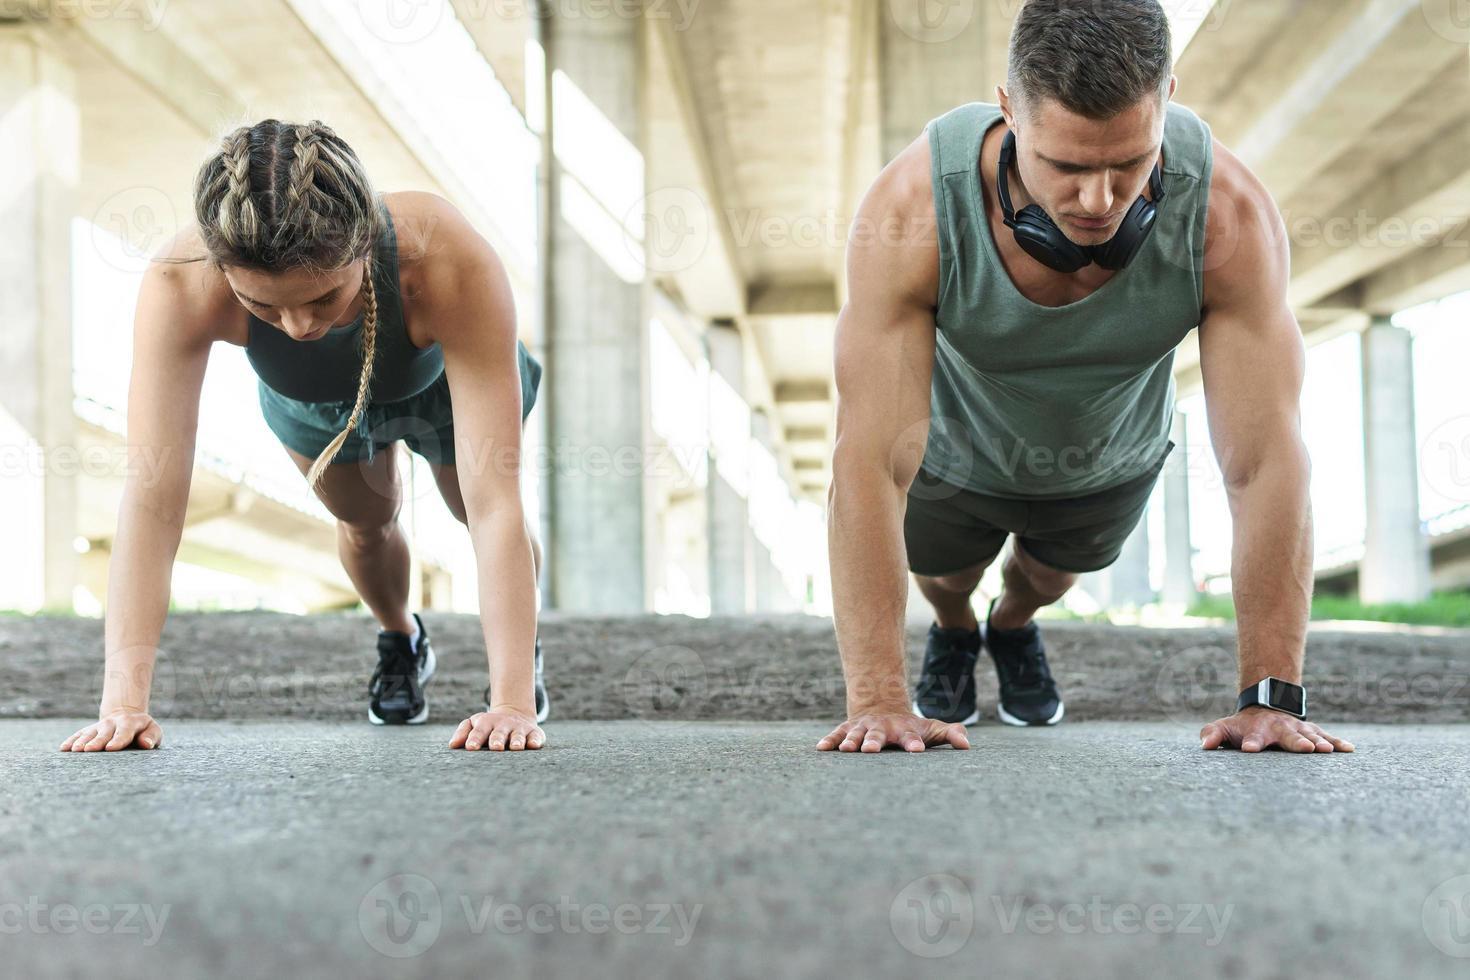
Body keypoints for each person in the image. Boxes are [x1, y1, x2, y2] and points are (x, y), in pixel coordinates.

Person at [819, 0, 1353, 755]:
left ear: (1169, 99)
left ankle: (1010, 626)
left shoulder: (1224, 214)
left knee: (1045, 581)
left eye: (1130, 164)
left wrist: (1269, 699)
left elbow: (1265, 460)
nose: (1100, 201)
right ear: (1010, 113)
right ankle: (956, 628)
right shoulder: (913, 212)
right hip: (955, 456)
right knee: (946, 577)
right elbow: (866, 460)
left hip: (1107, 460)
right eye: (1066, 166)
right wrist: (878, 700)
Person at [61, 119, 548, 754]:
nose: (296, 326)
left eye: (323, 298)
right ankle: (403, 638)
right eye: (263, 307)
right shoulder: (183, 283)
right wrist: (123, 706)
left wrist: (509, 705)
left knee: (469, 505)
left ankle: (522, 655)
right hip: (313, 404)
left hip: (440, 389)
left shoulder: (444, 252)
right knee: (368, 524)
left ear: (365, 245)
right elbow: (152, 501)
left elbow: (496, 504)